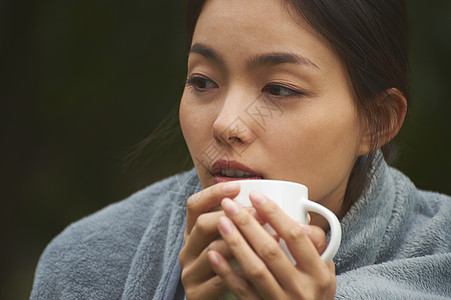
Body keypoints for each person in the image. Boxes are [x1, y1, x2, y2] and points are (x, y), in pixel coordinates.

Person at [30, 0, 451, 299]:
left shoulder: (439, 260)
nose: (226, 124)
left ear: (377, 121)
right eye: (202, 82)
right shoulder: (86, 261)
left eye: (280, 89)